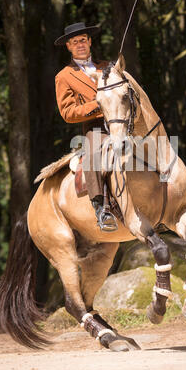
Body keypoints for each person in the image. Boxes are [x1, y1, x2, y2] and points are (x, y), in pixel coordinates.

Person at [54, 22, 117, 232]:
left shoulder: (108, 65)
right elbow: (68, 113)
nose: (80, 44)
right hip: (96, 126)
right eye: (75, 42)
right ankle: (101, 208)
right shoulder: (63, 76)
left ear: (89, 42)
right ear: (69, 47)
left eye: (83, 40)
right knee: (92, 153)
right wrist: (97, 104)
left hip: (123, 119)